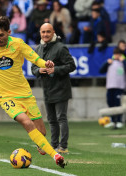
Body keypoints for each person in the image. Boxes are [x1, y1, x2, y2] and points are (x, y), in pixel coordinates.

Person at [0, 16, 66, 168]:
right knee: (26, 122)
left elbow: (35, 58)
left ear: (9, 32)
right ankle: (56, 155)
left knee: (41, 132)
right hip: (4, 96)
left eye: (1, 35)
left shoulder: (18, 44)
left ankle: (41, 144)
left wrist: (45, 64)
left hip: (25, 93)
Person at [31, 23, 76, 154]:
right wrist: (39, 70)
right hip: (47, 89)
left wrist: (55, 70)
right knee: (51, 119)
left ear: (53, 33)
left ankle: (63, 146)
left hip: (61, 88)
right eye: (43, 32)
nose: (45, 34)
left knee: (61, 117)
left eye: (48, 32)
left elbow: (71, 66)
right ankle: (54, 145)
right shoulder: (38, 49)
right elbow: (33, 69)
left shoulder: (61, 47)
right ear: (40, 33)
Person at [99, 48, 126, 129]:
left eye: (118, 54)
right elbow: (101, 70)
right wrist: (106, 63)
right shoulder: (110, 62)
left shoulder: (123, 63)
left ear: (121, 55)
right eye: (115, 54)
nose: (117, 56)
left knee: (118, 105)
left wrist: (123, 61)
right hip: (110, 86)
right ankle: (112, 120)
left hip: (119, 87)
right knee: (110, 103)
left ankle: (119, 121)